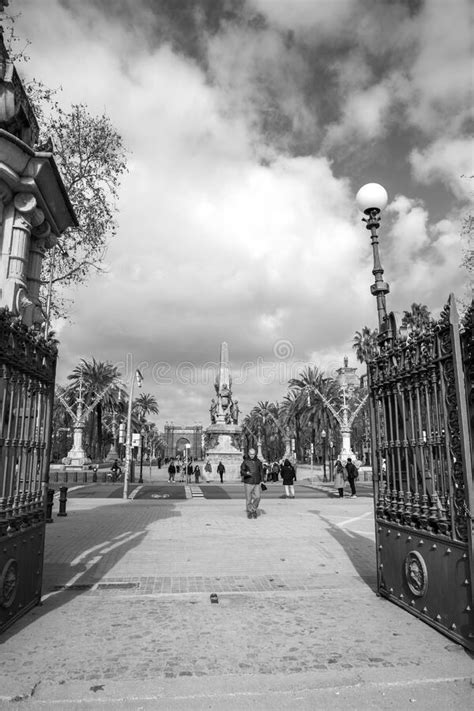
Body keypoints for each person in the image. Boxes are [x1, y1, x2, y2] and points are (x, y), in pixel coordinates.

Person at [240, 448, 263, 519]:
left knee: (258, 497)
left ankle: (253, 508)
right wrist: (246, 473)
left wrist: (262, 480)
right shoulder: (245, 462)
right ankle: (250, 512)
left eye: (253, 454)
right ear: (248, 454)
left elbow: (261, 471)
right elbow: (241, 471)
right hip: (248, 481)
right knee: (248, 498)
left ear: (255, 454)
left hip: (257, 482)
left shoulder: (258, 462)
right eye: (250, 454)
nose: (252, 456)